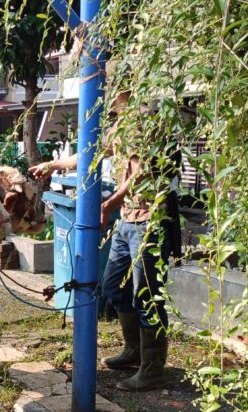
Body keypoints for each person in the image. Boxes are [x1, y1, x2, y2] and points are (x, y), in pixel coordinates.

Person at [31, 91, 181, 392]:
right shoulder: (120, 125)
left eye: (109, 86)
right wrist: (53, 165)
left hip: (151, 220)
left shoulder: (144, 122)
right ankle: (134, 350)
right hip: (127, 221)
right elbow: (90, 155)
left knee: (147, 295)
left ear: (123, 89)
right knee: (114, 287)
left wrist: (109, 204)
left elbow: (139, 175)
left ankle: (153, 368)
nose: (104, 94)